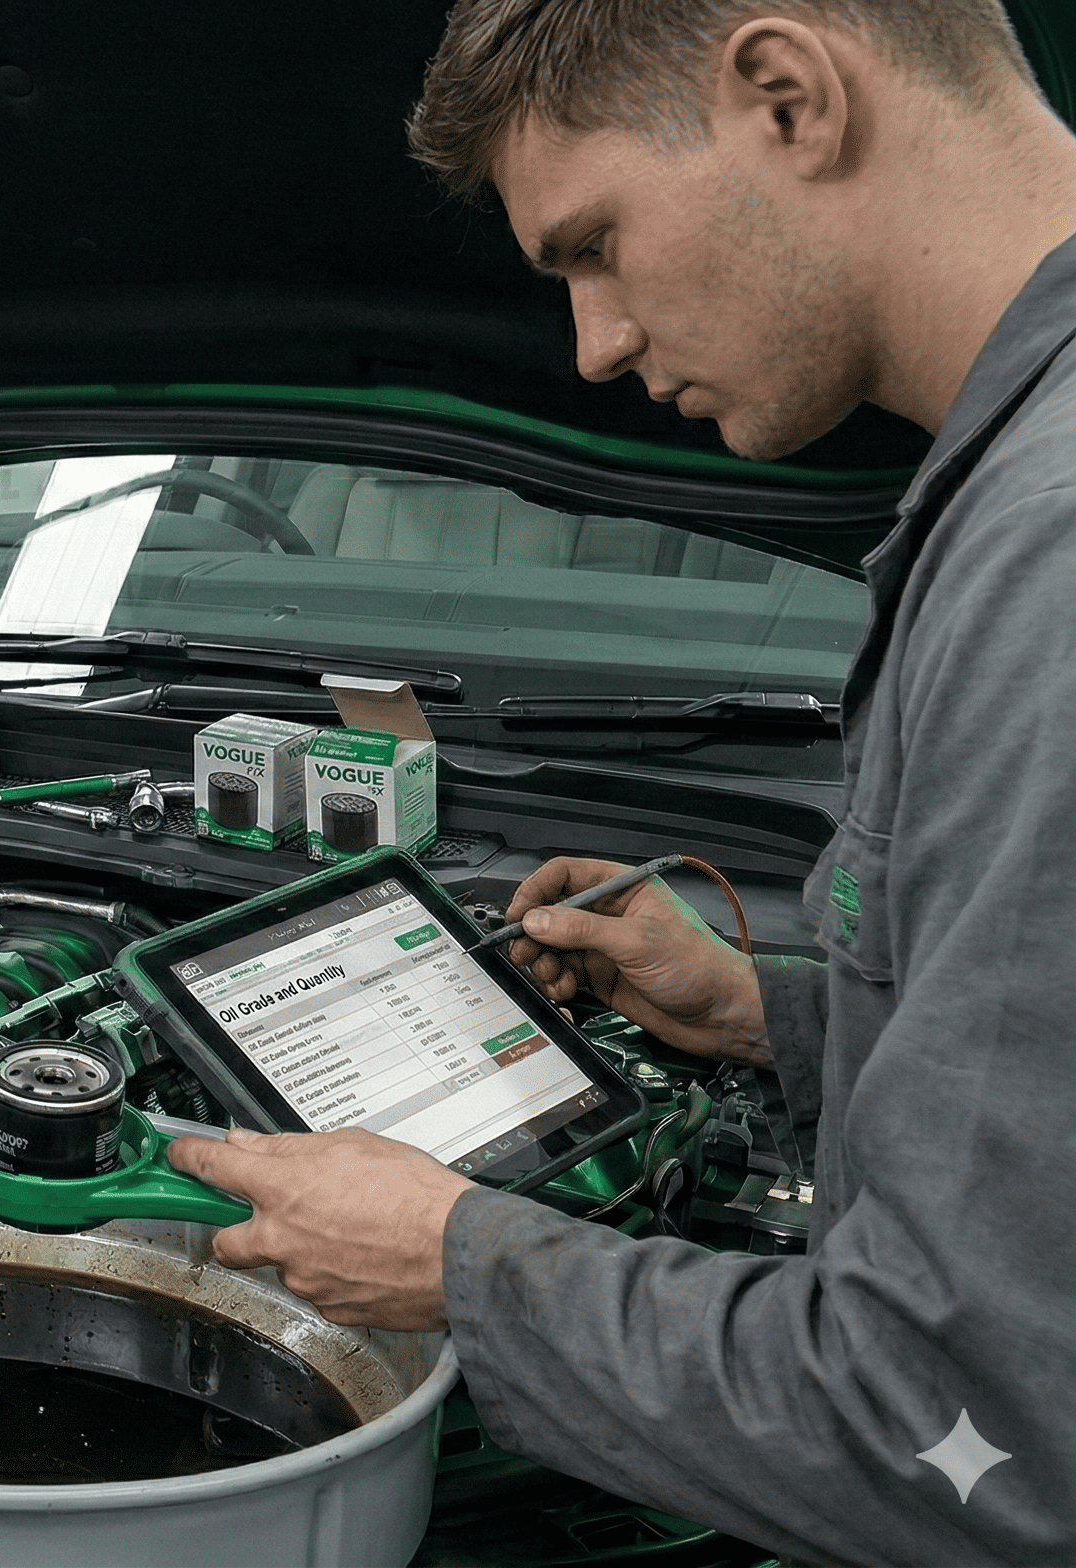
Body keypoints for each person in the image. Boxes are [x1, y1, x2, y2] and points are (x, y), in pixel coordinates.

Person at [165, 2, 1076, 1558]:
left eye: (594, 245)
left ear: (786, 96)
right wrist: (773, 1015)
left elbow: (963, 1429)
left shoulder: (1050, 562)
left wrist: (457, 1262)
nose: (594, 345)